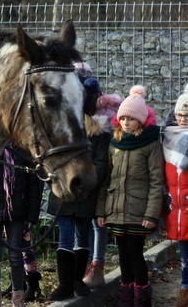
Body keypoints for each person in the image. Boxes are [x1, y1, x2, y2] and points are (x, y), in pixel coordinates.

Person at [96, 85, 164, 307]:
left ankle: (142, 299)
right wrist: (101, 211)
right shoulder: (114, 144)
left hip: (138, 212)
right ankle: (127, 299)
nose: (126, 122)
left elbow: (156, 182)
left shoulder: (151, 145)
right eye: (122, 117)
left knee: (135, 255)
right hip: (116, 210)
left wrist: (151, 214)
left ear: (141, 121)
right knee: (123, 256)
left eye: (131, 119)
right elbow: (106, 180)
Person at [47, 73, 111, 300]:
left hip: (85, 193)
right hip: (65, 192)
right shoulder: (63, 131)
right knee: (66, 237)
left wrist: (84, 180)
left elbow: (102, 165)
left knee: (82, 237)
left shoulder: (100, 135)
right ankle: (65, 283)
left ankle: (76, 280)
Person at [0, 143, 44, 307]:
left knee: (15, 256)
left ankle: (18, 301)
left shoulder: (23, 152)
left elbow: (33, 183)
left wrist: (32, 214)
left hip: (17, 212)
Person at [83, 91, 123, 288]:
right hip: (92, 180)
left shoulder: (103, 124)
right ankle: (90, 263)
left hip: (102, 179)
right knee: (91, 224)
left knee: (98, 225)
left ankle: (96, 264)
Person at [162, 83, 188, 307]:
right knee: (185, 255)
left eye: (187, 115)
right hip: (177, 208)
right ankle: (184, 290)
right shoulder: (167, 137)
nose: (183, 118)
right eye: (180, 113)